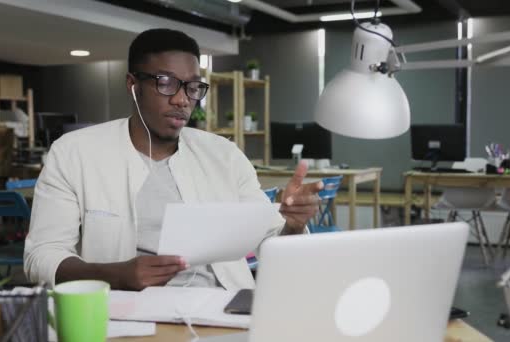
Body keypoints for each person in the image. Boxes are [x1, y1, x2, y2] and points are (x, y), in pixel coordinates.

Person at [24, 28, 323, 291]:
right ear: (132, 85)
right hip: (126, 315)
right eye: (166, 82)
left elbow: (269, 244)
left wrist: (293, 225)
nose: (182, 100)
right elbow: (42, 257)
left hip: (224, 307)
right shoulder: (74, 153)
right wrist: (115, 275)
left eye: (193, 87)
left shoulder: (224, 155)